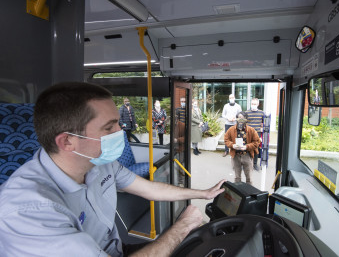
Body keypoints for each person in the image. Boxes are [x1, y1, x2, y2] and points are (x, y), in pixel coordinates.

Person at [0, 82, 225, 256]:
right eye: (109, 127)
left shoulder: (99, 162)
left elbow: (149, 189)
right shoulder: (28, 211)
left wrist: (203, 193)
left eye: (118, 122)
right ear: (67, 142)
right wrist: (183, 226)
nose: (121, 132)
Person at [224, 111, 260, 185]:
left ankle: (249, 193)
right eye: (239, 118)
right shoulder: (231, 129)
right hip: (235, 156)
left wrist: (247, 147)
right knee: (237, 177)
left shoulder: (251, 130)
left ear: (246, 119)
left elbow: (257, 142)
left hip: (247, 155)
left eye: (243, 118)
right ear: (236, 119)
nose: (241, 120)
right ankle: (238, 193)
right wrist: (232, 145)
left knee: (249, 177)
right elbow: (226, 139)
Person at [245, 98, 267, 171]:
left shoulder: (261, 113)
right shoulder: (246, 112)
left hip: (257, 134)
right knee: (247, 149)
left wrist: (262, 133)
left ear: (258, 104)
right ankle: (247, 164)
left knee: (256, 150)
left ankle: (255, 164)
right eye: (252, 104)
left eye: (255, 104)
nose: (253, 105)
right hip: (248, 133)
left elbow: (265, 124)